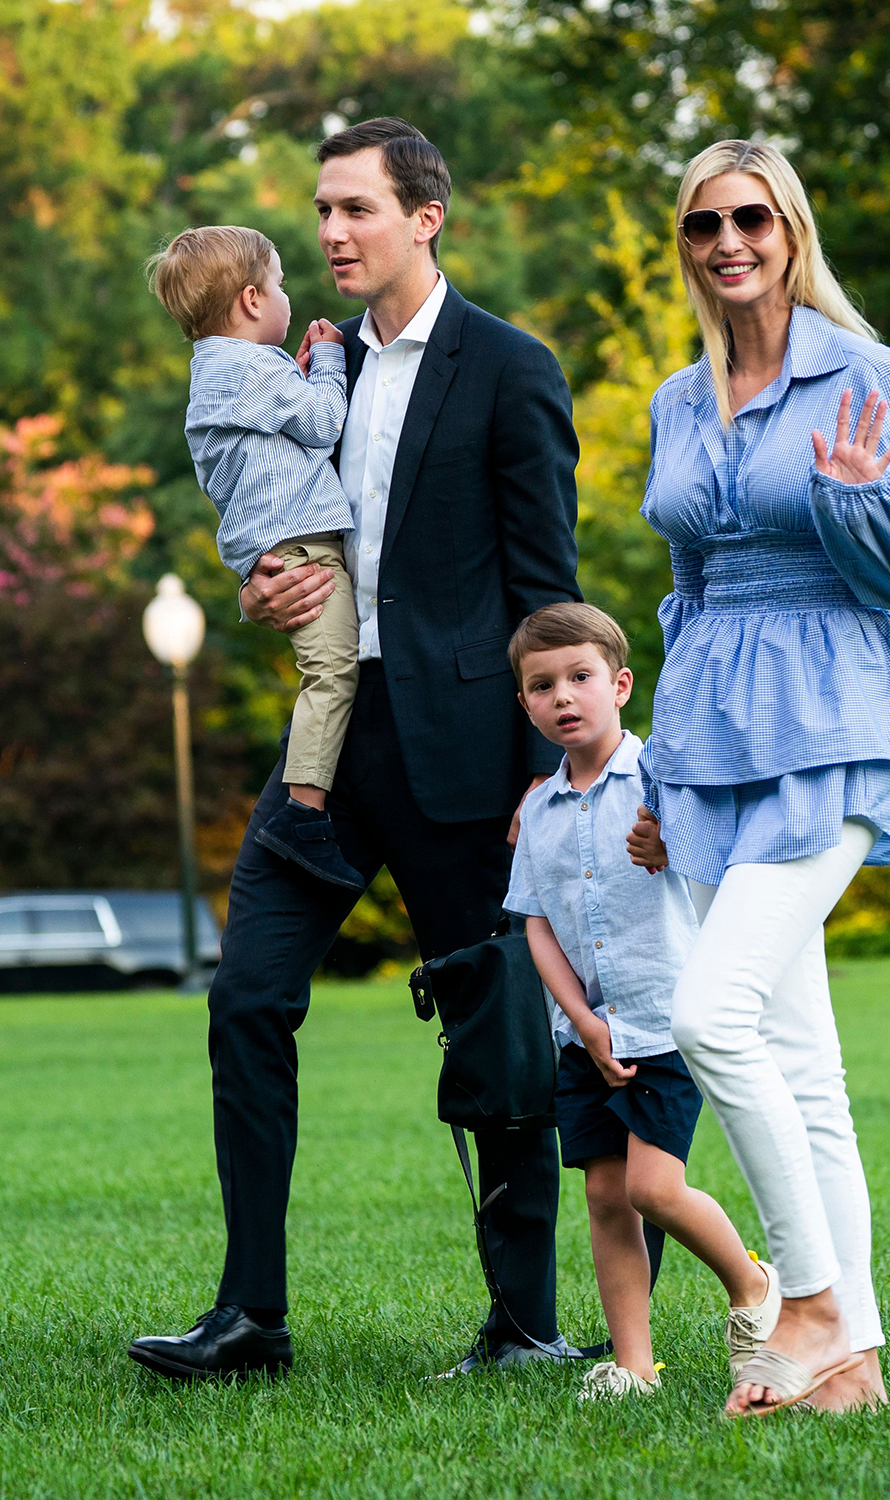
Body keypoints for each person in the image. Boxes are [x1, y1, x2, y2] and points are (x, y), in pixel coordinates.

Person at [128, 117, 592, 1382]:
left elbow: (546, 586)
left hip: (463, 751)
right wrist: (256, 591)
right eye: (321, 211)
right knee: (246, 1000)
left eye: (355, 210)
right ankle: (249, 1318)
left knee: (495, 1034)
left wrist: (554, 775)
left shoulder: (509, 367)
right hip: (328, 742)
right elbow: (271, 518)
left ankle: (523, 1325)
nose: (331, 232)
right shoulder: (288, 363)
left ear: (424, 217)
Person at [626, 139, 890, 1418]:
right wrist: (658, 767)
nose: (727, 242)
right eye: (702, 224)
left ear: (790, 228)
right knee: (796, 1055)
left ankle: (808, 1301)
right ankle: (852, 1365)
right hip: (711, 734)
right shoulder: (675, 397)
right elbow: (685, 589)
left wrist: (862, 501)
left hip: (834, 717)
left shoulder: (860, 378)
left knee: (712, 1016)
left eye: (749, 218)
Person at [504, 602, 781, 1401]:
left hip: (664, 1019)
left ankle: (753, 1288)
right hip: (588, 1035)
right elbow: (537, 926)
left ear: (620, 684)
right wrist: (583, 1023)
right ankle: (633, 1364)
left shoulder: (663, 777)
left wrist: (674, 841)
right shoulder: (540, 812)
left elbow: (724, 866)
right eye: (542, 685)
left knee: (653, 1189)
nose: (564, 697)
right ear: (524, 704)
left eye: (581, 677)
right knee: (601, 1194)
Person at [149, 225, 363, 891]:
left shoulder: (219, 370)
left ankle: (304, 807)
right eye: (278, 284)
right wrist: (327, 362)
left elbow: (281, 444)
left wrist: (294, 376)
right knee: (332, 674)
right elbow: (324, 426)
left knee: (324, 672)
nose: (286, 297)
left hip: (276, 545)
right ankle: (302, 815)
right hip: (304, 550)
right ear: (250, 299)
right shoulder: (250, 369)